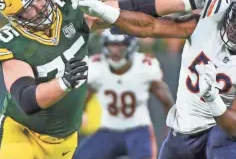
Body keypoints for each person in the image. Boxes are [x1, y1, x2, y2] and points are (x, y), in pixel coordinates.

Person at [77, 0, 236, 158]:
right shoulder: (212, 17)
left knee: (223, 140)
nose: (235, 29)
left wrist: (213, 100)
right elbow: (150, 26)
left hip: (220, 132)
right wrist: (104, 11)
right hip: (183, 129)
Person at [0, 0, 121, 159]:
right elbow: (26, 99)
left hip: (65, 139)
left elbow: (129, 10)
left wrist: (175, 4)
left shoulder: (70, 8)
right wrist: (63, 82)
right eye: (28, 8)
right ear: (17, 18)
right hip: (24, 132)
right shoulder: (9, 41)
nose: (39, 8)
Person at [74, 28, 174, 159]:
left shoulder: (144, 66)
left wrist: (172, 127)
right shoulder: (97, 66)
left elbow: (166, 99)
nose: (115, 51)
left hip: (138, 129)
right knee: (81, 156)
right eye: (111, 46)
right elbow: (86, 93)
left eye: (120, 46)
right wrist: (82, 111)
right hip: (108, 129)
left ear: (131, 47)